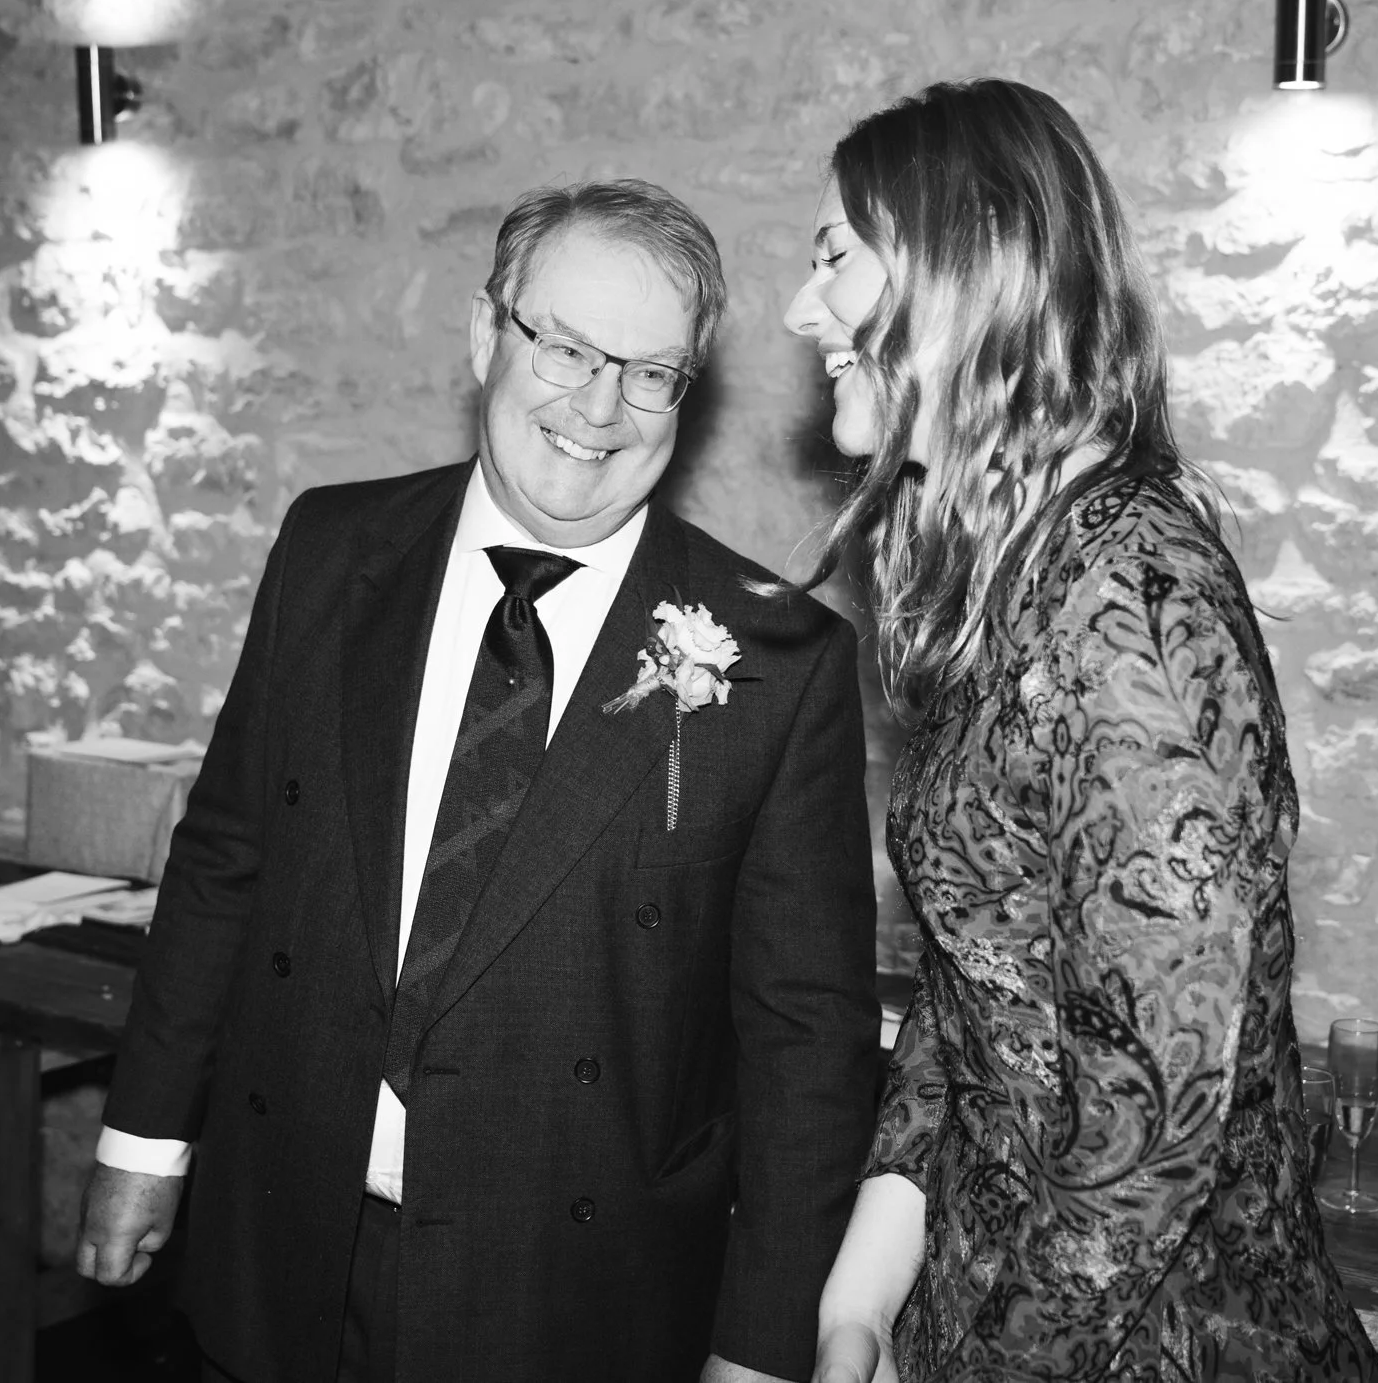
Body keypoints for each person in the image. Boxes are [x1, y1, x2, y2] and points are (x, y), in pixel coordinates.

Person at [77, 180, 880, 1383]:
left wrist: (763, 1344)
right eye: (563, 347)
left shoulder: (777, 662)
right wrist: (144, 1136)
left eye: (651, 371)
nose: (600, 405)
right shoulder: (331, 551)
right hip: (289, 1231)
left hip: (571, 1299)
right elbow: (226, 856)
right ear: (482, 335)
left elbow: (807, 1042)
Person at [788, 82, 1378, 1382]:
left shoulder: (1133, 598)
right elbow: (964, 1006)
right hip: (979, 1310)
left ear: (968, 269)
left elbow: (1151, 1150)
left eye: (833, 254)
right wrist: (860, 1300)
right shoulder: (1006, 584)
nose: (800, 307)